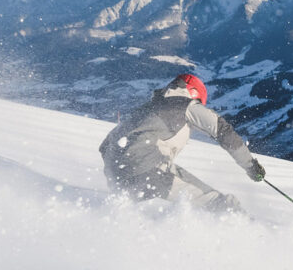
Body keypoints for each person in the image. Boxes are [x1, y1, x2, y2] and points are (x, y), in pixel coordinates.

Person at [99, 73, 265, 214]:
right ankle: (257, 240)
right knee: (222, 205)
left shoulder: (145, 108)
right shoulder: (185, 104)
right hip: (150, 170)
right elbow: (222, 130)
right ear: (193, 93)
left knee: (146, 217)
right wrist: (250, 165)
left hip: (118, 180)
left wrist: (123, 170)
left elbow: (105, 146)